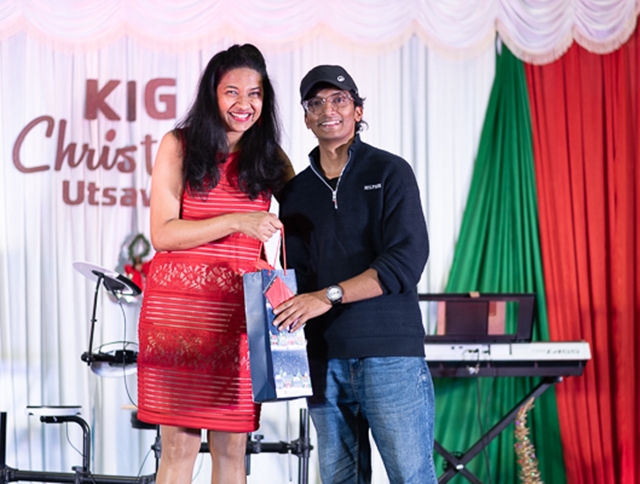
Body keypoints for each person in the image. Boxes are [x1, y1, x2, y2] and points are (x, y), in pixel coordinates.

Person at [137, 44, 294, 484]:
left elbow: (308, 221)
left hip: (239, 317)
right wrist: (238, 221)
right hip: (179, 317)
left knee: (232, 450)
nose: (244, 104)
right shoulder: (178, 145)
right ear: (212, 94)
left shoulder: (271, 156)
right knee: (178, 450)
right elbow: (163, 233)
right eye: (232, 92)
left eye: (254, 93)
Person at [274, 65, 437, 483]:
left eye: (339, 100)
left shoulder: (389, 171)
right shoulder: (295, 193)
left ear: (358, 111)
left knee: (412, 477)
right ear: (306, 118)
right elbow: (296, 276)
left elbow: (407, 260)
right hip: (323, 360)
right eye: (316, 103)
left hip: (391, 356)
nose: (327, 110)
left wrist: (327, 295)